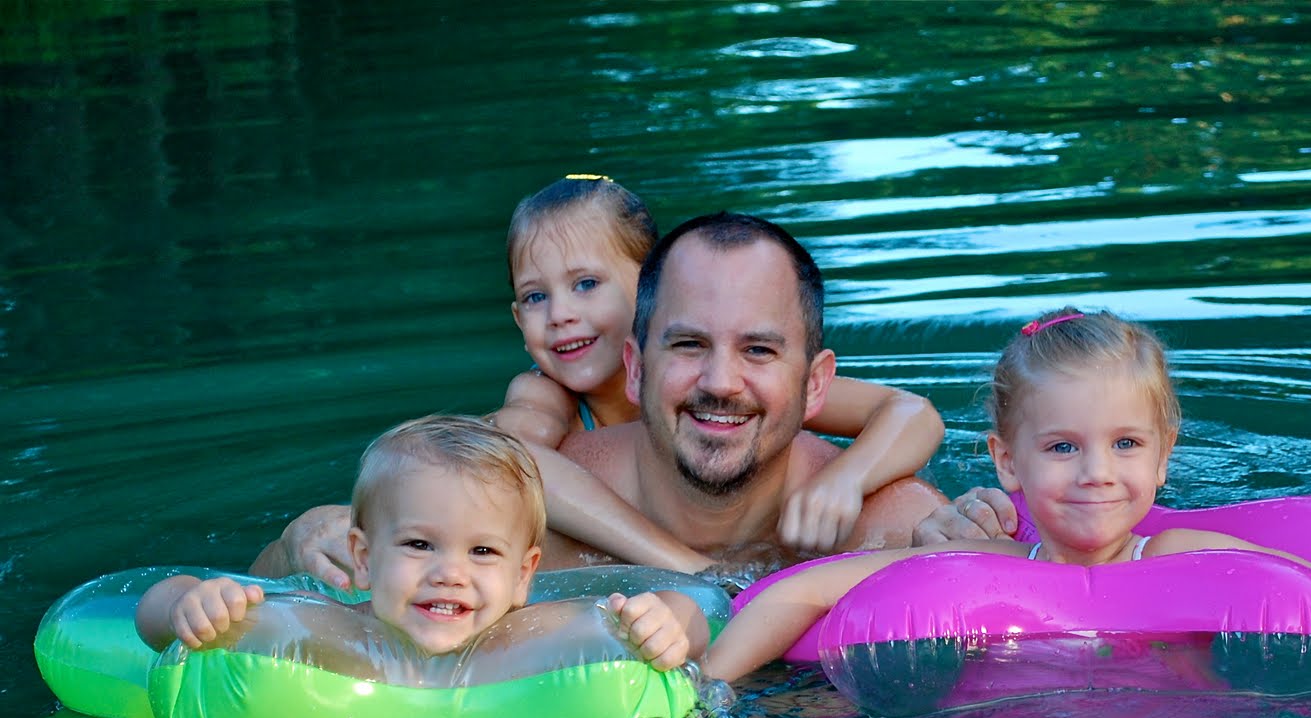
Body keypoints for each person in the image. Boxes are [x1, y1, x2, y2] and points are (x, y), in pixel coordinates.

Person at [702, 308, 1311, 683]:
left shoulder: (1184, 554)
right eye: (1063, 448)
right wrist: (710, 688)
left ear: (1165, 459)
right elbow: (794, 593)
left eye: (1126, 444)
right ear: (1006, 462)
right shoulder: (985, 561)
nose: (1096, 473)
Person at [253, 212, 948, 585]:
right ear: (634, 367)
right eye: (687, 345)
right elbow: (285, 590)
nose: (720, 381)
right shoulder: (528, 523)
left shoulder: (893, 529)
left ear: (816, 383)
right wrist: (299, 543)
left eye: (759, 350)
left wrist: (983, 529)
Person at [494, 176, 944, 564]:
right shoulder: (544, 397)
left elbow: (912, 412)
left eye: (587, 284)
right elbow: (505, 464)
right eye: (536, 297)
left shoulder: (784, 396)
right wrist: (687, 567)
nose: (561, 315)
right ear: (638, 366)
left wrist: (845, 479)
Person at [141, 415, 705, 669]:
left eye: (482, 552)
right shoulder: (327, 627)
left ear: (523, 575)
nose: (449, 574)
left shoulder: (539, 634)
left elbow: (693, 611)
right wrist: (188, 604)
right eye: (419, 545)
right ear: (364, 558)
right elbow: (151, 613)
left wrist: (666, 623)